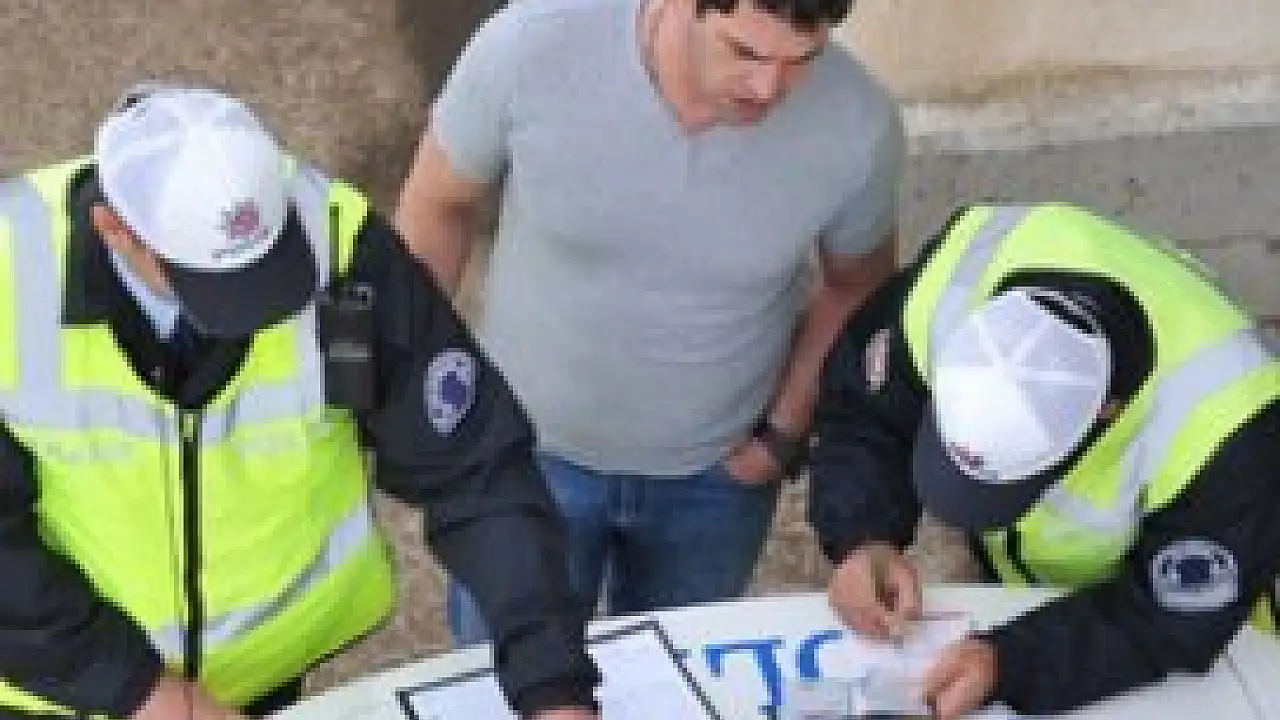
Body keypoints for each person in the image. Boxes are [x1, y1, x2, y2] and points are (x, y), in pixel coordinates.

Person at [0, 84, 600, 720]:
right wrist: (144, 693)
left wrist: (551, 685)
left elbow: (476, 468)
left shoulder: (340, 246)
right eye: (215, 286)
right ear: (117, 231)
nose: (254, 314)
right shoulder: (11, 272)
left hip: (260, 686)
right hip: (54, 691)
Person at [394, 0, 903, 644]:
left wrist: (782, 434)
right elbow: (439, 203)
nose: (768, 89)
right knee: (506, 678)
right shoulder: (531, 46)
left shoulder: (858, 124)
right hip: (522, 460)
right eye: (744, 51)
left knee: (676, 681)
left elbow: (858, 285)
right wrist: (423, 392)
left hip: (715, 485)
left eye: (802, 59)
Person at [808, 201, 1280, 719]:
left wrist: (1016, 663)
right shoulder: (952, 284)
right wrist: (863, 537)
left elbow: (1173, 616)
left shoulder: (1236, 425)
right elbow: (864, 407)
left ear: (1106, 413)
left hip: (1208, 643)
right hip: (1026, 592)